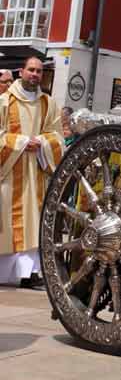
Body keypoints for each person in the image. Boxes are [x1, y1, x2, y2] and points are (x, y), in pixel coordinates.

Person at [0, 56, 64, 289]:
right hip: (9, 173)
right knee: (7, 222)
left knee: (34, 222)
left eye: (39, 71)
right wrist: (21, 142)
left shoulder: (48, 104)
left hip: (37, 171)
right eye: (31, 70)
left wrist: (43, 143)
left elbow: (57, 136)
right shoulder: (5, 101)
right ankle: (5, 272)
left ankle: (30, 273)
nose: (35, 74)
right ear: (21, 72)